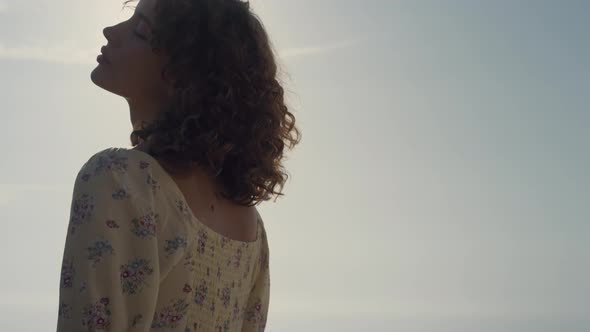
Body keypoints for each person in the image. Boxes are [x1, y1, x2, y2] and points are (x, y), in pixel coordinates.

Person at [56, 0, 301, 330]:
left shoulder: (119, 181)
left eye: (140, 31)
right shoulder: (251, 230)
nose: (111, 31)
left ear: (183, 75)